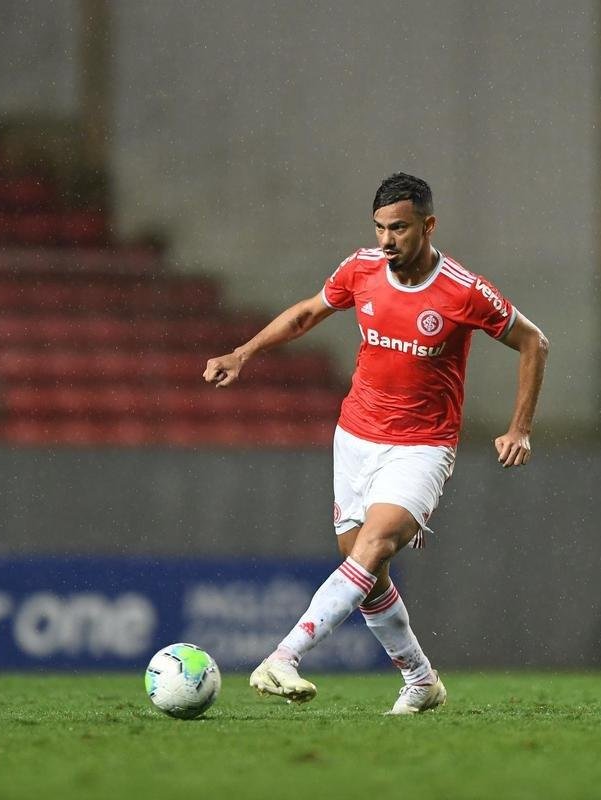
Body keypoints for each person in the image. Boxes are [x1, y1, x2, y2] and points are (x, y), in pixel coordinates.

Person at [204, 173, 549, 714]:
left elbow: (534, 342)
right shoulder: (361, 269)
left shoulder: (464, 290)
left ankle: (284, 657)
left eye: (399, 229)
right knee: (364, 572)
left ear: (428, 226)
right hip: (355, 438)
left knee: (376, 544)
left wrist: (520, 427)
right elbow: (306, 314)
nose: (387, 240)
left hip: (422, 446)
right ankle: (421, 680)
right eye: (380, 228)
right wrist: (242, 353)